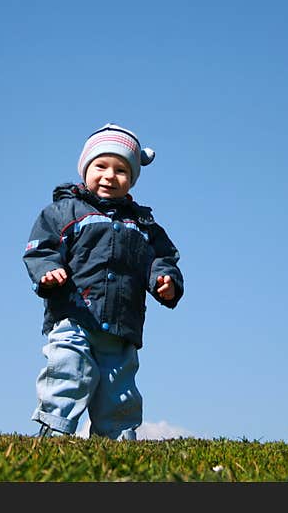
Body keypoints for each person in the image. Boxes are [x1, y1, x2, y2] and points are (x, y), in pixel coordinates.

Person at [22, 123, 184, 440]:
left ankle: (115, 441)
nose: (110, 175)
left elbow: (162, 259)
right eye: (101, 166)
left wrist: (166, 281)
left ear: (133, 178)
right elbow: (41, 248)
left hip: (122, 324)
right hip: (74, 314)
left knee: (118, 388)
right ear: (85, 168)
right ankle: (54, 433)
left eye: (121, 170)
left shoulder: (144, 225)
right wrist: (48, 270)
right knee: (69, 371)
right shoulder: (64, 211)